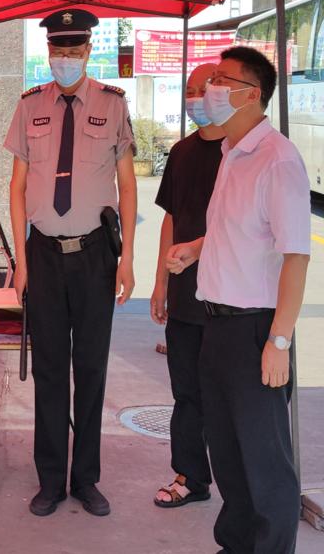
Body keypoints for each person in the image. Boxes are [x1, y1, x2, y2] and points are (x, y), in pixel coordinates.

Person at [166, 47, 309, 554]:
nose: (211, 90)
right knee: (228, 454)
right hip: (217, 326)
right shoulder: (231, 152)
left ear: (252, 95)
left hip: (255, 330)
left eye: (223, 81)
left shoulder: (278, 159)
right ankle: (236, 544)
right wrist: (195, 248)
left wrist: (279, 341)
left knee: (264, 462)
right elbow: (238, 230)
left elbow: (296, 256)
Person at [4, 9, 137, 518]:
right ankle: (50, 481)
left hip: (96, 255)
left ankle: (86, 479)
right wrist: (20, 261)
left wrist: (127, 259)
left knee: (92, 369)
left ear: (88, 51)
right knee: (50, 370)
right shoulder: (29, 106)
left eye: (73, 51)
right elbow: (17, 188)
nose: (64, 59)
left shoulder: (112, 104)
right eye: (57, 51)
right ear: (49, 53)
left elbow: (128, 185)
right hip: (44, 254)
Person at [150, 63, 222, 509]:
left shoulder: (243, 153)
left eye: (205, 89)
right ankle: (190, 476)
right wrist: (160, 283)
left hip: (233, 300)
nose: (195, 98)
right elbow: (171, 218)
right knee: (187, 394)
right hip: (185, 296)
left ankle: (244, 485)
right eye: (190, 90)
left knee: (233, 398)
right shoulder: (181, 152)